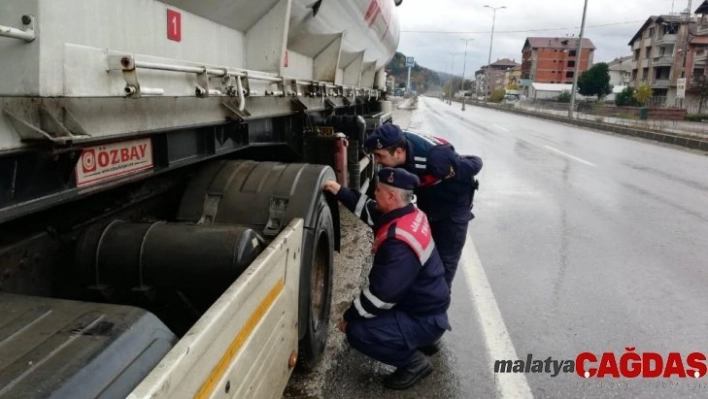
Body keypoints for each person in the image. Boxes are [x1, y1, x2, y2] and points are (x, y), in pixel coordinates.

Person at [323, 168, 450, 390]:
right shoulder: (409, 213)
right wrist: (340, 191)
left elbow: (381, 297)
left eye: (378, 190)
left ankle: (413, 363)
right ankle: (424, 340)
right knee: (369, 314)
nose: (374, 193)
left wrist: (348, 317)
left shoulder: (399, 243)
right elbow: (369, 209)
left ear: (392, 197)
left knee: (357, 331)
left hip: (422, 317)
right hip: (426, 305)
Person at [363, 124, 483, 289]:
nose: (376, 161)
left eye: (379, 155)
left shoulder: (435, 158)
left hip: (453, 208)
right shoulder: (397, 143)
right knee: (424, 254)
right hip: (430, 202)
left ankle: (437, 304)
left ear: (398, 152)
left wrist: (451, 169)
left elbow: (474, 163)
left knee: (444, 263)